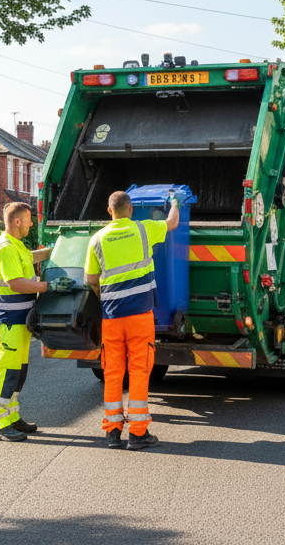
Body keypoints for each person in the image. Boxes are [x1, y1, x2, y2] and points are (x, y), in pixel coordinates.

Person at [84, 189, 181, 450]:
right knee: (139, 370)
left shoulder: (97, 239)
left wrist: (106, 296)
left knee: (113, 372)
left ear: (109, 211)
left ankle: (112, 432)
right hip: (139, 315)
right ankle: (138, 434)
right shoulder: (142, 229)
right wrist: (175, 202)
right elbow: (172, 223)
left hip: (112, 317)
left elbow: (91, 279)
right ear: (130, 210)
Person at [0, 201, 73, 442]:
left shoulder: (17, 246)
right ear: (17, 222)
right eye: (28, 219)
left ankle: (12, 417)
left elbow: (29, 261)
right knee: (7, 372)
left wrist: (57, 249)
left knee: (19, 372)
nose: (31, 223)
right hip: (8, 322)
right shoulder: (5, 248)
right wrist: (48, 286)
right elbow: (15, 282)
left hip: (18, 320)